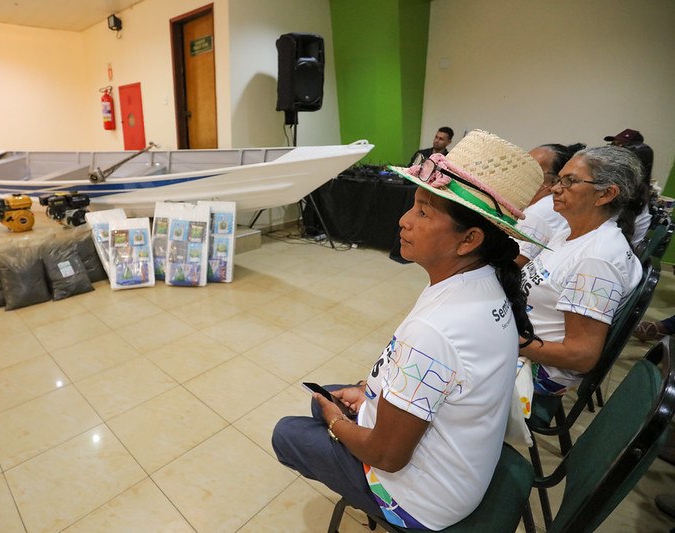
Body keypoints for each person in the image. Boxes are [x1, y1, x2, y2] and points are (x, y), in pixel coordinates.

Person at [272, 130, 543, 530]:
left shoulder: (437, 328)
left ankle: (375, 502)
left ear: (469, 239)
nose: (404, 220)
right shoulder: (483, 284)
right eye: (413, 207)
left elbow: (388, 456)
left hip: (420, 499)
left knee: (289, 431)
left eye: (424, 212)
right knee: (325, 399)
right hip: (461, 473)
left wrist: (337, 422)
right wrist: (370, 395)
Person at [519, 146, 644, 396]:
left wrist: (508, 340)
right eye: (558, 179)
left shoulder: (597, 260)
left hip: (538, 372)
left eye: (570, 181)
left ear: (605, 194)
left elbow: (580, 356)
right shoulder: (570, 232)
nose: (555, 188)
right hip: (525, 344)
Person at [515, 142, 585, 266]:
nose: (522, 171)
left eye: (533, 168)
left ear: (556, 179)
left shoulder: (538, 213)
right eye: (522, 164)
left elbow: (515, 264)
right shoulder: (540, 204)